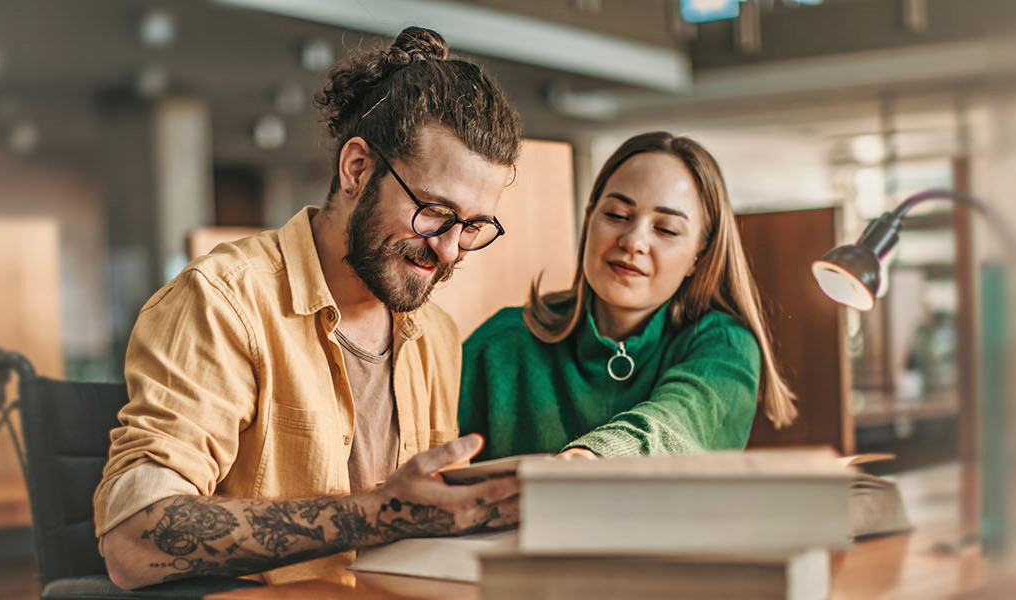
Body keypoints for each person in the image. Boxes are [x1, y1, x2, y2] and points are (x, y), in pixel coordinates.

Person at [93, 27, 528, 590]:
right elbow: (133, 538)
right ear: (356, 170)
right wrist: (374, 513)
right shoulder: (224, 300)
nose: (448, 248)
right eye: (435, 212)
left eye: (472, 226)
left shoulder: (435, 335)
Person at [456, 132, 799, 462]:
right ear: (589, 218)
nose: (633, 240)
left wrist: (588, 461)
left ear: (700, 254)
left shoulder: (725, 346)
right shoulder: (501, 342)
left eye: (665, 229)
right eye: (617, 215)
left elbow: (674, 426)